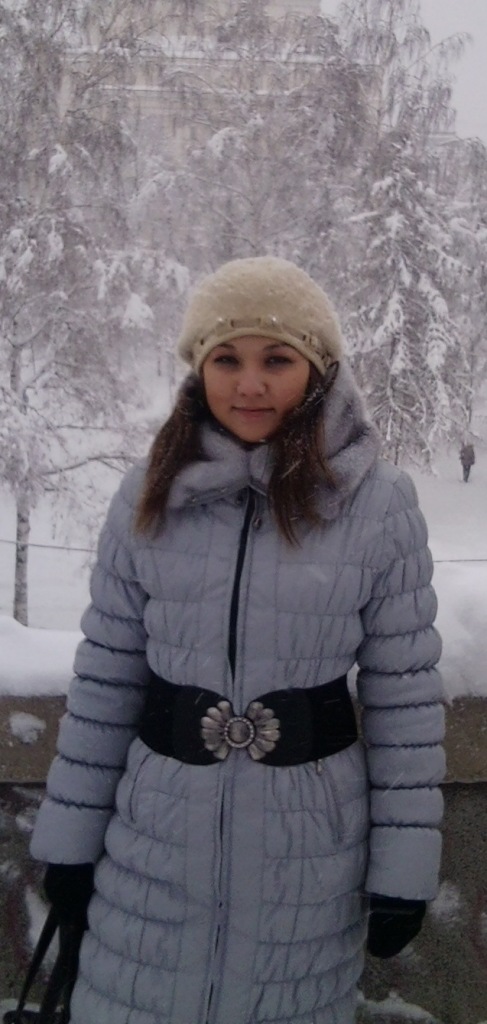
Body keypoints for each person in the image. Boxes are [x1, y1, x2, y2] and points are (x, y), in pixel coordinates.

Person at [30, 257, 445, 1024]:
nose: (249, 384)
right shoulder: (145, 494)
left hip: (305, 864)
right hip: (153, 849)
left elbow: (405, 701)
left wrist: (402, 871)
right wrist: (70, 841)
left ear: (317, 369)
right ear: (198, 369)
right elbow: (107, 681)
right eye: (226, 359)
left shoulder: (378, 504)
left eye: (276, 359)